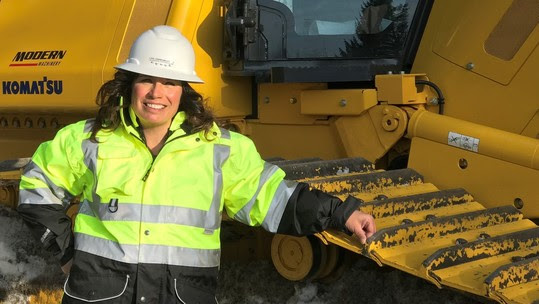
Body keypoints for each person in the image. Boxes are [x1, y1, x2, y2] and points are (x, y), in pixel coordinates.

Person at [17, 25, 376, 304]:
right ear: (129, 85)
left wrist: (341, 214)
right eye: (146, 80)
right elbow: (36, 189)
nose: (157, 93)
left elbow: (276, 199)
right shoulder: (87, 139)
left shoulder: (219, 149)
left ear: (183, 90)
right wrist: (65, 252)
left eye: (170, 82)